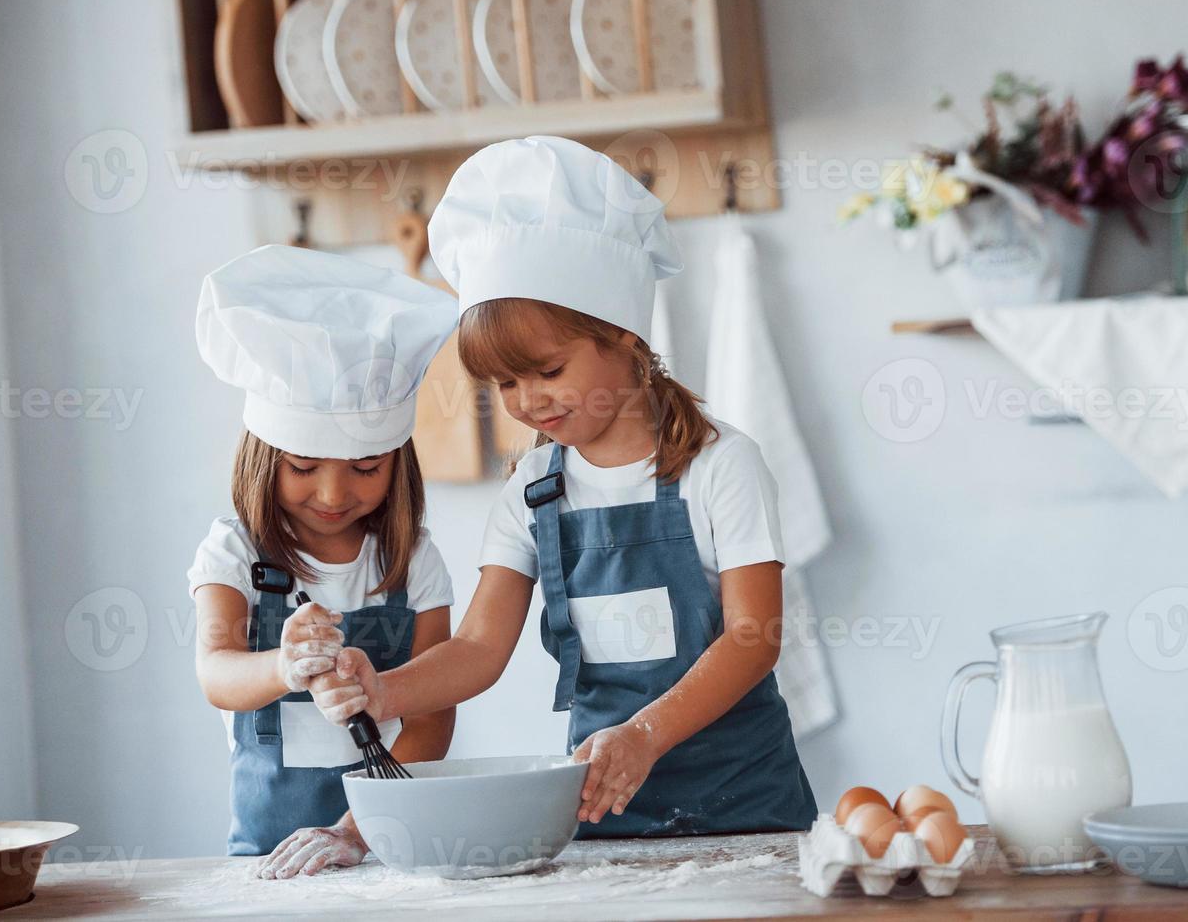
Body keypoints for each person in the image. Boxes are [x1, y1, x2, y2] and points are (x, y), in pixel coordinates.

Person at [311, 136, 818, 838]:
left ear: (628, 340)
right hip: (599, 805)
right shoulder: (532, 490)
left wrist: (643, 734)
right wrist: (384, 689)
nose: (525, 401)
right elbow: (479, 648)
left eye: (547, 371)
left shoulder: (719, 465)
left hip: (744, 803)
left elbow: (752, 638)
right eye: (504, 383)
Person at [187, 245, 458, 876]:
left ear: (398, 462)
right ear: (264, 456)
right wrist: (285, 664)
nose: (335, 495)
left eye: (365, 468)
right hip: (268, 858)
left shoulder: (412, 559)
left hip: (392, 841)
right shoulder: (234, 554)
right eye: (303, 468)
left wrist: (357, 833)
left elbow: (433, 712)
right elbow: (216, 675)